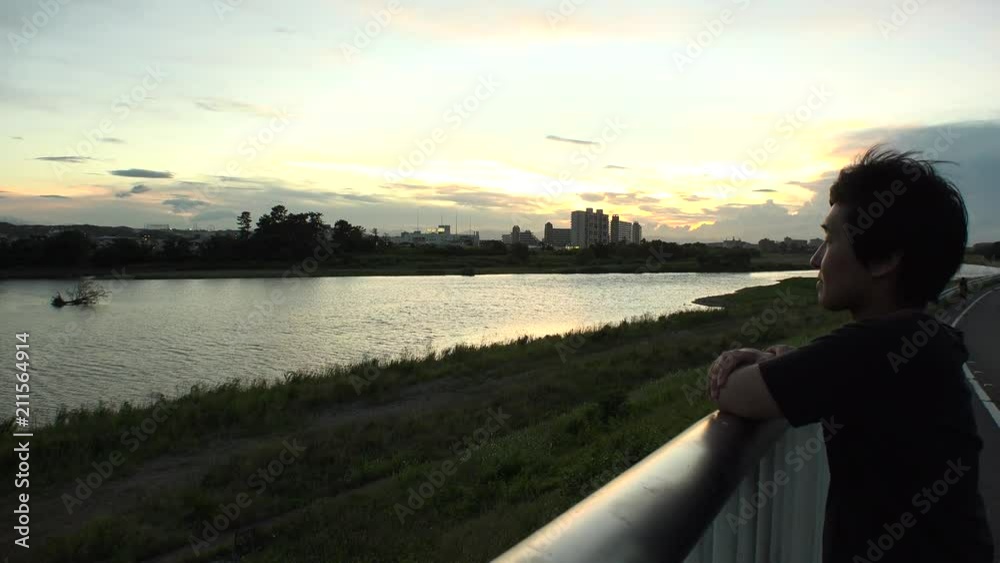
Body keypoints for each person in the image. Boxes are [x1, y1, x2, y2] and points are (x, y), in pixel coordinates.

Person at [707, 146, 994, 563]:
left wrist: (742, 364)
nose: (815, 259)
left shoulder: (883, 345)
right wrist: (785, 361)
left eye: (829, 239)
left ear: (884, 259)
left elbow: (735, 392)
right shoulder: (922, 339)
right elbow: (839, 375)